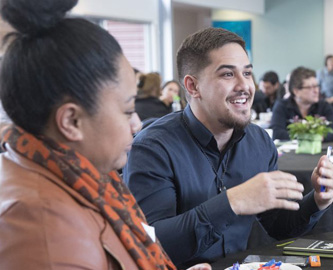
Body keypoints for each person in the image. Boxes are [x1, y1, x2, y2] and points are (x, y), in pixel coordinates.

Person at [0, 0, 199, 269]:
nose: (137, 124)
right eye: (128, 110)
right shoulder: (44, 230)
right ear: (72, 121)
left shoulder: (81, 178)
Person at [123, 28, 333, 268]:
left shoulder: (258, 142)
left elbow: (278, 226)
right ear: (193, 87)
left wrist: (318, 200)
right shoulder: (152, 148)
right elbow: (151, 243)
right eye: (228, 74)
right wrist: (232, 202)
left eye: (247, 73)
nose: (245, 85)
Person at [271, 67, 333, 142]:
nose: (316, 91)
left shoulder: (324, 106)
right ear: (296, 91)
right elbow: (276, 133)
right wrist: (309, 137)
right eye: (310, 87)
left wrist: (310, 138)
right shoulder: (282, 105)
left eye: (316, 86)